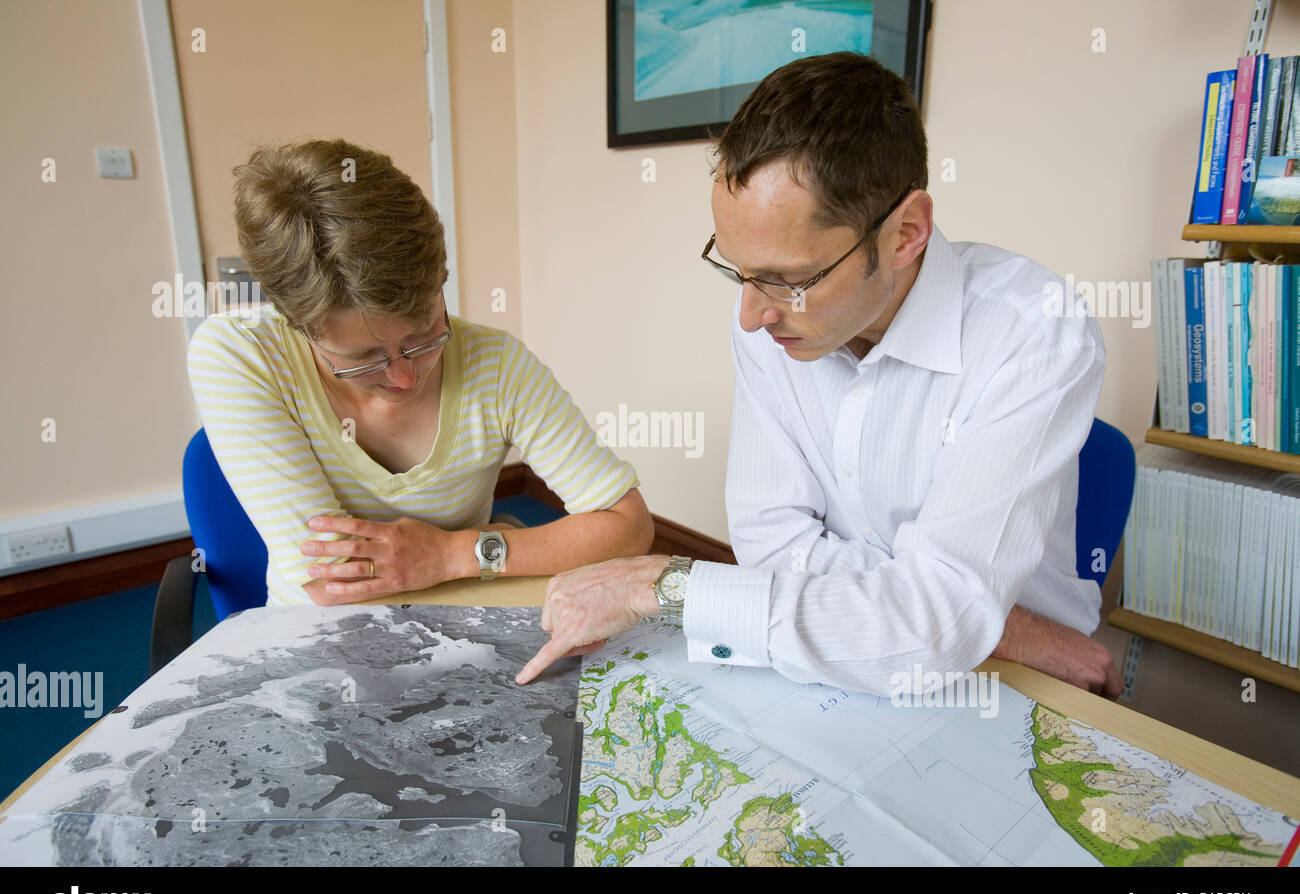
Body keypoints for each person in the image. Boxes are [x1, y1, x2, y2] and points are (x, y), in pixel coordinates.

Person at [517, 52, 1122, 698]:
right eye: (737, 270)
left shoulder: (1034, 331)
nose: (750, 315)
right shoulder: (767, 318)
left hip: (1028, 682)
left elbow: (931, 630)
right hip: (957, 650)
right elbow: (769, 545)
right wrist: (971, 615)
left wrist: (665, 585)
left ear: (905, 233)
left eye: (788, 279)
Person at [187, 139, 653, 608]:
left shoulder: (496, 363)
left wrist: (454, 553)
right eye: (365, 358)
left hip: (469, 632)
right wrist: (505, 545)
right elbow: (330, 584)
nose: (406, 378)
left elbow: (628, 526)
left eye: (425, 334)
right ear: (298, 326)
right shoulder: (239, 354)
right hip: (322, 642)